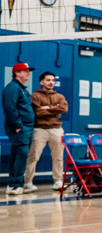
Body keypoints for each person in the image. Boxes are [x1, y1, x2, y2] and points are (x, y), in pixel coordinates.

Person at [23, 71, 68, 192]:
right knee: (33, 156)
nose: (51, 83)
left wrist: (47, 108)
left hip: (56, 129)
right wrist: (55, 109)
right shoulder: (35, 96)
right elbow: (37, 112)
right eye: (48, 80)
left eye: (53, 80)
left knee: (58, 157)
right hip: (40, 129)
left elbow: (64, 109)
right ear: (42, 82)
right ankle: (28, 182)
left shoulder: (60, 97)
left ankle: (58, 181)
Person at [3, 62, 35, 196]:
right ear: (17, 73)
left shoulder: (22, 89)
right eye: (25, 71)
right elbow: (10, 108)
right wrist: (17, 125)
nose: (28, 73)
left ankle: (12, 184)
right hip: (20, 128)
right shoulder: (12, 88)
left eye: (28, 71)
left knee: (18, 155)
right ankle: (16, 185)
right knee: (21, 154)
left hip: (26, 127)